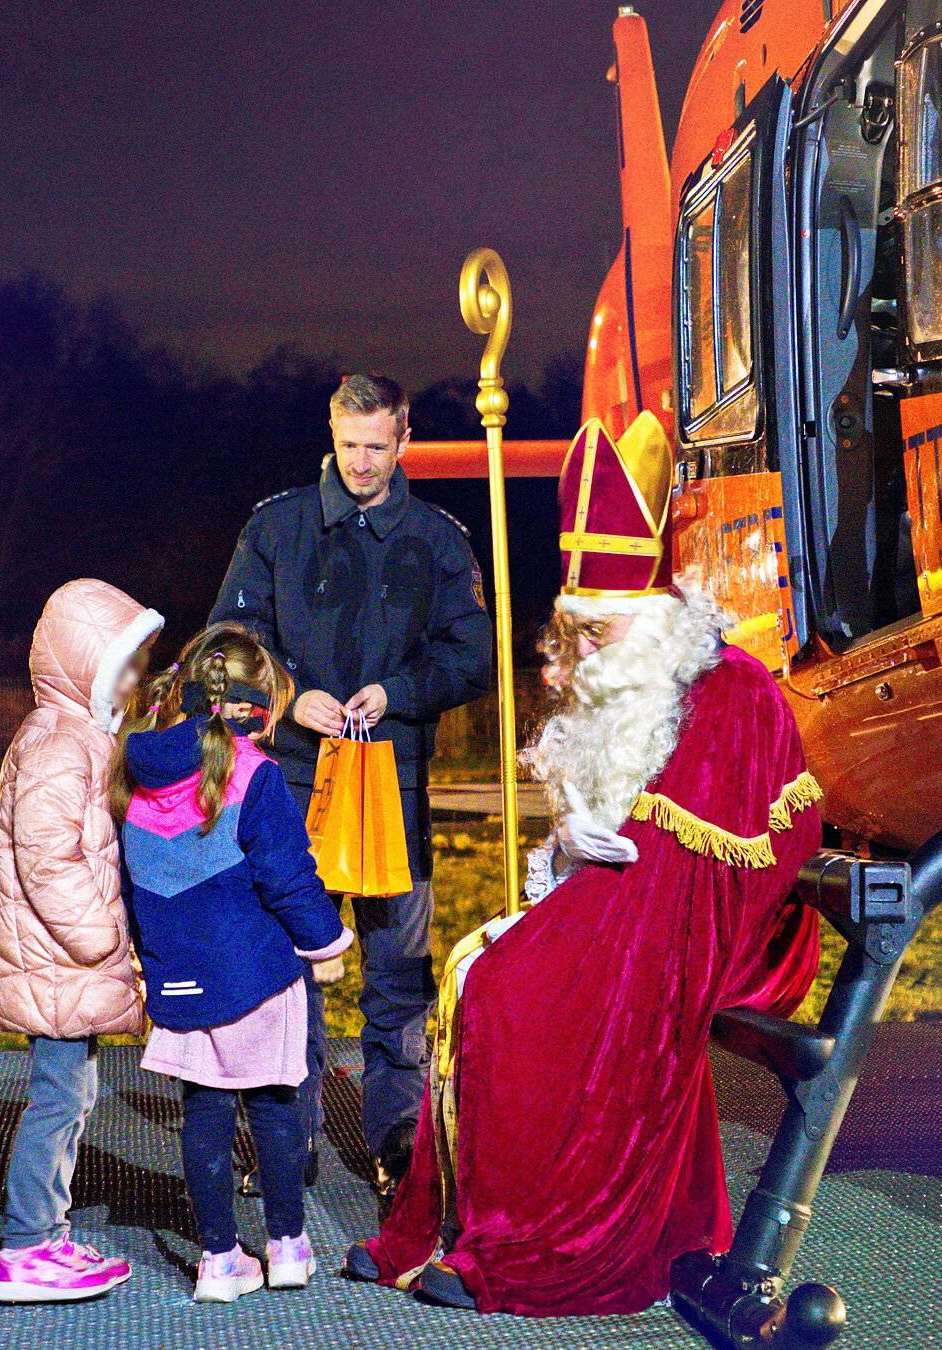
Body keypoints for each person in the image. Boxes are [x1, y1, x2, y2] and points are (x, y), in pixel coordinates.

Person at [343, 412, 823, 1316]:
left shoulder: (727, 692)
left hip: (682, 935)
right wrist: (566, 850)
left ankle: (535, 1233)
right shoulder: (627, 684)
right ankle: (454, 1225)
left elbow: (731, 863)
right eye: (580, 636)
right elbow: (608, 835)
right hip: (615, 907)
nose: (582, 661)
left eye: (599, 636)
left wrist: (628, 856)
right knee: (476, 973)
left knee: (507, 994)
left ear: (649, 623)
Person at [210, 373, 492, 1193]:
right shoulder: (277, 527)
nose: (363, 463)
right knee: (285, 966)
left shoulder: (439, 539)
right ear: (330, 438)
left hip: (395, 790)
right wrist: (294, 697)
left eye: (377, 446)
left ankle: (399, 1141)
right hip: (290, 790)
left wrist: (396, 693)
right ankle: (279, 1140)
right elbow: (229, 642)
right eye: (349, 446)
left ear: (404, 440)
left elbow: (473, 656)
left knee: (399, 974)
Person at [111, 623, 354, 1303]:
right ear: (263, 702)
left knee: (205, 1116)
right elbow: (287, 876)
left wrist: (147, 958)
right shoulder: (258, 775)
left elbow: (133, 884)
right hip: (259, 977)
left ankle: (219, 1260)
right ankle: (287, 1248)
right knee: (276, 1107)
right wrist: (327, 943)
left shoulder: (135, 778)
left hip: (178, 977)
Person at [0, 578, 165, 1303]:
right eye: (123, 666)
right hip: (58, 961)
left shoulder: (76, 734)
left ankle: (41, 1234)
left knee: (72, 1094)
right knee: (59, 1100)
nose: (134, 681)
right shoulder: (62, 743)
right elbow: (46, 855)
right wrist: (102, 942)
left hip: (57, 962)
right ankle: (27, 1246)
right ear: (84, 664)